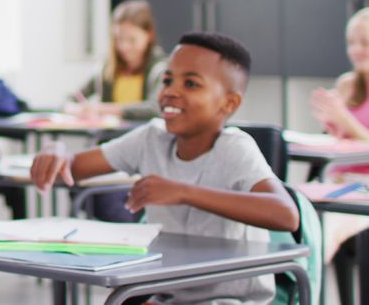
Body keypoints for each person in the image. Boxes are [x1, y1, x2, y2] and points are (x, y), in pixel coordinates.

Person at [32, 32, 299, 304]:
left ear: (229, 103)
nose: (171, 91)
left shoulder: (234, 148)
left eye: (191, 84)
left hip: (233, 300)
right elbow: (73, 167)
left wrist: (184, 192)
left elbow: (286, 215)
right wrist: (58, 152)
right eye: (168, 80)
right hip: (171, 294)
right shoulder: (151, 139)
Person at [310, 8, 369, 264]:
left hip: (363, 188)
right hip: (337, 181)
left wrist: (344, 118)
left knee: (322, 232)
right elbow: (340, 140)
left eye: (365, 43)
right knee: (292, 211)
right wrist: (333, 125)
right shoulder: (347, 84)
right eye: (351, 43)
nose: (356, 50)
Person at [65, 0, 167, 121]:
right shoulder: (107, 68)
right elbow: (71, 99)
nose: (124, 46)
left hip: (143, 137)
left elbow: (155, 109)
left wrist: (103, 109)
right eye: (118, 39)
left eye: (132, 40)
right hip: (108, 137)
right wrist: (77, 109)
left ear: (149, 35)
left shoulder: (160, 69)